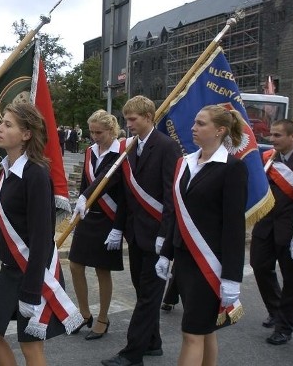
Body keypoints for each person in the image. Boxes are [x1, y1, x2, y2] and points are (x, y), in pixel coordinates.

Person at [0, 102, 82, 365]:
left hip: (33, 272)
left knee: (31, 347)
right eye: (1, 122)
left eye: (8, 125)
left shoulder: (35, 174)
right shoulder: (8, 170)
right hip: (11, 269)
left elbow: (41, 238)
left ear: (26, 135)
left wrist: (32, 291)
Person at [156, 105, 247, 366]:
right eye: (195, 122)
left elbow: (234, 227)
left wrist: (231, 277)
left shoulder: (232, 168)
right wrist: (166, 254)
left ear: (220, 130)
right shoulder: (184, 163)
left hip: (210, 264)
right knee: (205, 331)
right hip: (184, 260)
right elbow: (177, 213)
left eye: (201, 123)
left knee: (192, 333)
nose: (194, 127)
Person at [101, 95, 181, 366]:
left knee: (148, 296)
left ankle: (132, 354)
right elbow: (128, 193)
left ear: (148, 117)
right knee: (143, 291)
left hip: (157, 235)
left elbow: (172, 196)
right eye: (126, 119)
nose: (128, 123)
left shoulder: (167, 147)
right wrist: (118, 227)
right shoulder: (132, 147)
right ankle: (153, 343)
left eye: (133, 119)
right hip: (135, 233)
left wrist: (165, 236)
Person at [69, 110, 124, 340]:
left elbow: (106, 179)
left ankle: (103, 317)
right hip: (90, 214)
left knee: (102, 269)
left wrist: (119, 227)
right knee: (75, 264)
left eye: (98, 132)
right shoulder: (91, 151)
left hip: (110, 216)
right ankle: (84, 313)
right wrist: (80, 202)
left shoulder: (122, 152)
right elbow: (86, 181)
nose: (94, 136)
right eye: (91, 131)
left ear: (111, 130)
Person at [250, 119, 293, 345]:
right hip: (266, 226)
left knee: (292, 280)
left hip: (291, 231)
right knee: (260, 266)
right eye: (271, 135)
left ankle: (284, 327)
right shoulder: (268, 158)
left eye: (278, 135)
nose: (272, 139)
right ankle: (275, 309)